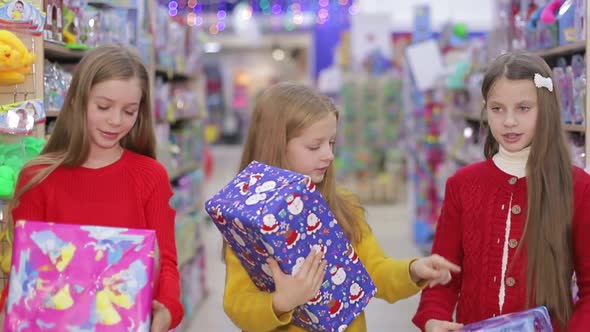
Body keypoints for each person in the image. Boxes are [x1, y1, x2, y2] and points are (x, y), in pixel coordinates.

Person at [222, 82, 461, 331]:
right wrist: (281, 302)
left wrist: (413, 270)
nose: (329, 155)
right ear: (276, 146)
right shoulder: (247, 222)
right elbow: (238, 304)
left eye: (332, 143)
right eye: (314, 146)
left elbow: (374, 271)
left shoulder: (343, 206)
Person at [0, 44, 183, 331]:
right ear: (75, 101)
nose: (115, 121)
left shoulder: (150, 176)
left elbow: (167, 262)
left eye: (129, 111)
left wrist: (167, 310)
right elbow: (25, 270)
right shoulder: (38, 176)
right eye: (103, 107)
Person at [412, 51, 590, 332]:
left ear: (546, 108)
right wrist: (434, 318)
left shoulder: (577, 186)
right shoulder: (461, 185)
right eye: (497, 109)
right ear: (485, 109)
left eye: (523, 108)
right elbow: (443, 279)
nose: (508, 121)